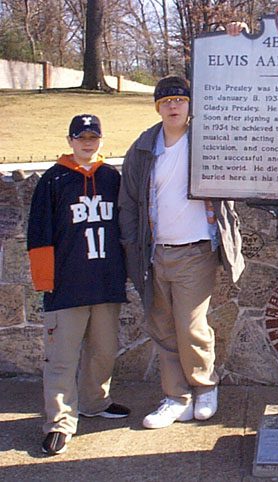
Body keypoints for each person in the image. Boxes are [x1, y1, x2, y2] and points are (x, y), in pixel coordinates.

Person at [118, 74, 245, 429]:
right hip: (154, 252)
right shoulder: (143, 148)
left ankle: (205, 386)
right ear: (158, 107)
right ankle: (176, 396)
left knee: (189, 324)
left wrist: (236, 41)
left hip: (196, 249)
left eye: (180, 100)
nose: (173, 106)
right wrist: (132, 244)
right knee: (162, 325)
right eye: (166, 101)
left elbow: (236, 104)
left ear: (190, 105)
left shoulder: (208, 140)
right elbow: (128, 201)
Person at [27, 114, 130, 456]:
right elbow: (38, 234)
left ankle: (94, 402)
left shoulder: (111, 177)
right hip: (66, 287)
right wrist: (46, 281)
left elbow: (126, 226)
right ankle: (59, 422)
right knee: (61, 359)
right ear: (70, 140)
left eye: (93, 137)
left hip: (104, 284)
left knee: (102, 353)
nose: (87, 142)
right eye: (81, 137)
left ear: (101, 140)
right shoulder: (53, 181)